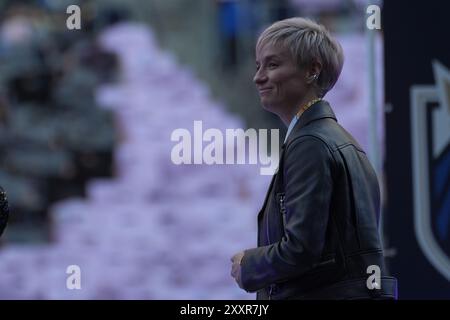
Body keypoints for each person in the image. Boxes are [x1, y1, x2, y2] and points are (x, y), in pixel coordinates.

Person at [230, 17, 397, 300]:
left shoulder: (309, 143)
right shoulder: (341, 141)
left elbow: (301, 249)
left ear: (312, 70)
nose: (258, 77)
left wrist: (249, 265)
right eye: (259, 66)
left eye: (272, 65)